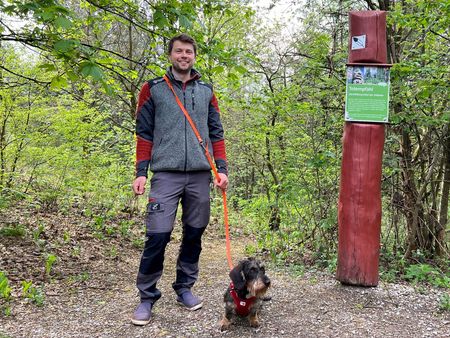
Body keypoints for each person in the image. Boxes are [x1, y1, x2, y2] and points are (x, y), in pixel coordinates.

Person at [131, 33, 229, 326]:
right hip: (165, 174)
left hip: (200, 175)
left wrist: (221, 169)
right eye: (178, 51)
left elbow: (217, 133)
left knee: (195, 233)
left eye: (188, 51)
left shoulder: (207, 91)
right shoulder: (153, 89)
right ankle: (146, 297)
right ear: (170, 55)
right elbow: (144, 134)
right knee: (158, 235)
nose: (183, 56)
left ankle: (184, 287)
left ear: (194, 56)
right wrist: (140, 172)